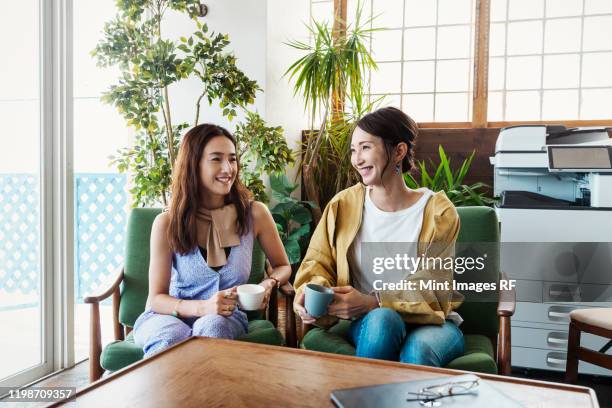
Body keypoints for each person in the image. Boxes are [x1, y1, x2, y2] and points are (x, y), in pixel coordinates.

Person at [293, 107, 464, 367]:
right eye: (353, 150)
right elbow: (317, 262)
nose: (357, 159)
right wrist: (310, 292)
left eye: (365, 148)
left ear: (399, 151)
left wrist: (374, 301)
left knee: (415, 350)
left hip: (432, 323)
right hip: (370, 323)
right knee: (384, 319)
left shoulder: (438, 212)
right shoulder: (343, 206)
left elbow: (435, 282)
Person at [133, 124, 291, 358]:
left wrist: (270, 283)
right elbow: (156, 299)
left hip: (225, 317)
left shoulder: (255, 214)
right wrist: (202, 307)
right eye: (216, 159)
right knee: (168, 339)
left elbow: (283, 266)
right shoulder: (166, 222)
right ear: (193, 164)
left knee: (213, 328)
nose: (228, 169)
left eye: (233, 159)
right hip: (167, 316)